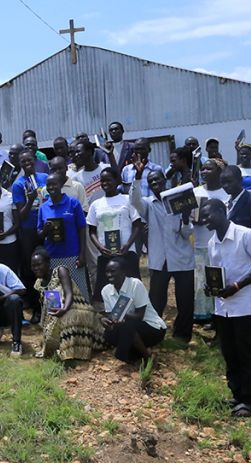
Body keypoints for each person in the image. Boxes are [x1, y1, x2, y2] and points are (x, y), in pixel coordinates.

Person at [203, 199, 251, 418]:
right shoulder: (212, 242)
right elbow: (217, 273)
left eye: (208, 215)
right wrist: (210, 287)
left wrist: (238, 285)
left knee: (246, 352)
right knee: (229, 352)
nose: (204, 220)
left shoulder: (245, 234)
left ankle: (249, 400)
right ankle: (237, 394)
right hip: (223, 307)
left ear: (222, 212)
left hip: (245, 305)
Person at [129, 169, 195, 341]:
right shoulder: (148, 204)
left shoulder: (178, 200)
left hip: (181, 257)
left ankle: (183, 334)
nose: (154, 183)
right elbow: (134, 200)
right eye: (151, 181)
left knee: (185, 300)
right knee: (156, 299)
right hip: (159, 260)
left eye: (157, 179)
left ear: (164, 180)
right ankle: (154, 331)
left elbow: (187, 234)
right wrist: (138, 175)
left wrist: (186, 219)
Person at [31, 248, 104, 361]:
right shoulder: (39, 284)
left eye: (39, 264)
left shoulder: (60, 271)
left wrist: (64, 310)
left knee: (66, 318)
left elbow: (69, 293)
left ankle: (70, 355)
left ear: (47, 263)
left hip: (78, 308)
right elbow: (46, 308)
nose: (36, 268)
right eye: (33, 266)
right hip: (59, 312)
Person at [86, 167, 143, 300]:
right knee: (107, 292)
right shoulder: (95, 205)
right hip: (105, 255)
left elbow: (137, 225)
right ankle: (112, 317)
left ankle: (134, 318)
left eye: (109, 180)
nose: (105, 183)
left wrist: (127, 245)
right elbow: (92, 231)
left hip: (126, 253)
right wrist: (100, 247)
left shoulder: (127, 200)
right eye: (102, 181)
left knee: (131, 290)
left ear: (117, 181)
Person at [100, 258, 166, 365]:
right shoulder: (106, 290)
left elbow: (140, 315)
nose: (109, 275)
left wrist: (122, 316)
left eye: (113, 271)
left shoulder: (135, 284)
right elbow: (111, 316)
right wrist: (105, 320)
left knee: (127, 325)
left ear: (123, 272)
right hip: (129, 330)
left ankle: (147, 357)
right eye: (107, 272)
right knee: (108, 334)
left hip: (151, 328)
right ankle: (134, 352)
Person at [36, 173, 89, 302]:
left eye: (55, 184)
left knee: (80, 292)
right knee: (55, 291)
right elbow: (39, 234)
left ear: (61, 185)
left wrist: (82, 253)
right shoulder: (43, 208)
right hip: (52, 256)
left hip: (73, 254)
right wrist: (45, 230)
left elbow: (82, 228)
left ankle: (84, 320)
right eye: (49, 185)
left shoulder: (73, 203)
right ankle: (54, 319)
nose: (52, 187)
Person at [69, 139, 110, 298]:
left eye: (80, 151)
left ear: (91, 152)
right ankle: (99, 298)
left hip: (109, 220)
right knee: (95, 263)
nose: (76, 154)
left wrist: (111, 154)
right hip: (91, 223)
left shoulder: (104, 169)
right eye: (75, 152)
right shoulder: (77, 178)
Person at [192, 160, 230, 327]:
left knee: (220, 282)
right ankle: (205, 316)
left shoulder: (226, 193)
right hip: (199, 243)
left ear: (219, 172)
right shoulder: (195, 192)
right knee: (201, 283)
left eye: (209, 168)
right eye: (203, 168)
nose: (204, 171)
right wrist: (194, 219)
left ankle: (219, 318)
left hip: (220, 244)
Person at [11, 151, 48, 320]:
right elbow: (21, 215)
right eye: (23, 161)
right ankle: (37, 307)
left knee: (48, 267)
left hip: (46, 228)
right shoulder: (18, 184)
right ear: (20, 164)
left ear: (34, 161)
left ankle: (52, 305)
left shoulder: (45, 178)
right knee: (31, 269)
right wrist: (30, 199)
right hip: (28, 231)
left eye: (29, 160)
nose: (27, 163)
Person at [221, 165, 251, 242]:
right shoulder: (223, 203)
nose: (226, 186)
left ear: (240, 180)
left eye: (229, 181)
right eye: (223, 183)